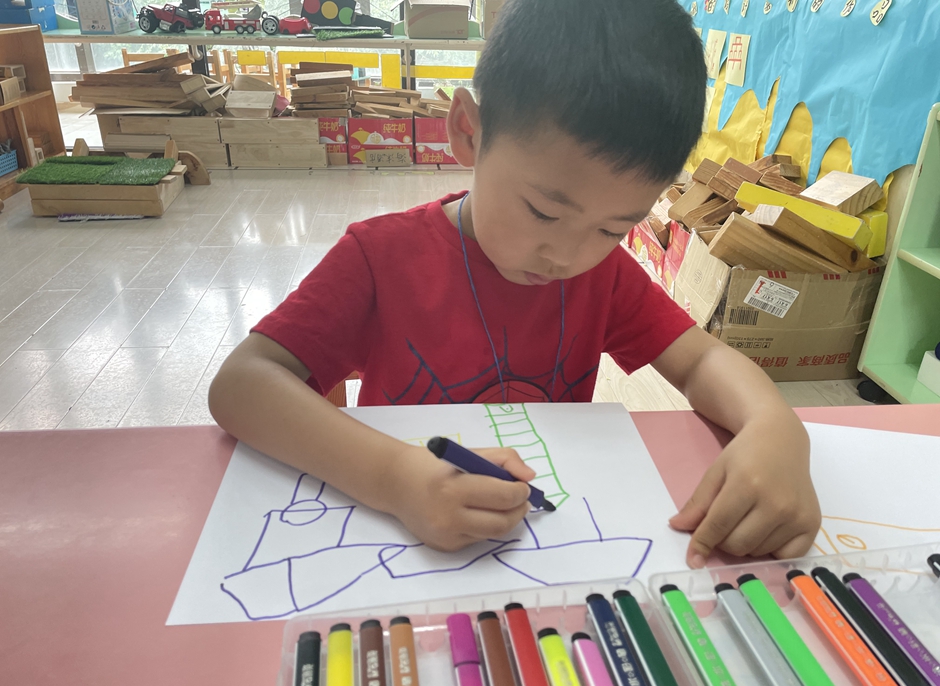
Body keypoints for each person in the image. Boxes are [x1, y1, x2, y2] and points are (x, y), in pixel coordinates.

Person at [209, 0, 821, 567]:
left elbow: (703, 360)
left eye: (612, 229)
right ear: (468, 132)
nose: (566, 255)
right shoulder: (380, 258)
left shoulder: (602, 276)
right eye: (544, 213)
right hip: (401, 552)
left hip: (535, 550)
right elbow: (242, 384)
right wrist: (393, 478)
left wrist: (775, 427)